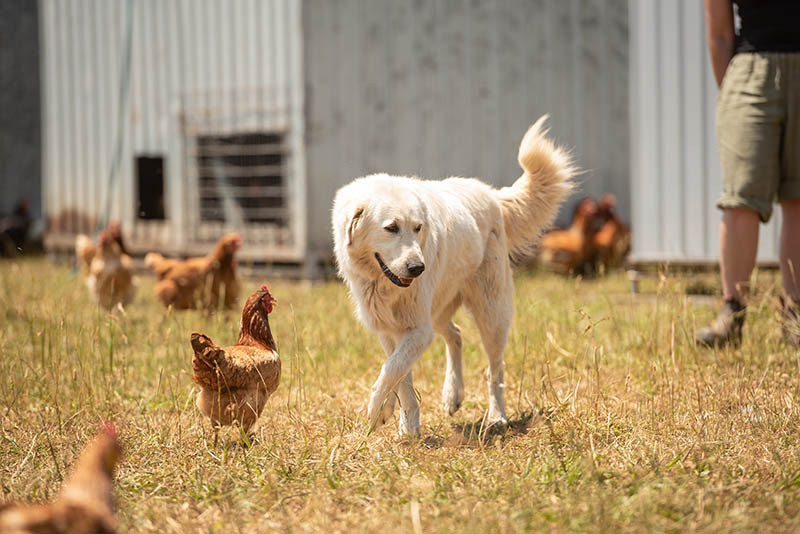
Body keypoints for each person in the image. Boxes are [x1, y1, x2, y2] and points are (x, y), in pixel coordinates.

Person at [697, 0, 800, 348]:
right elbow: (720, 33)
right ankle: (732, 313)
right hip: (750, 69)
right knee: (741, 197)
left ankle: (796, 317)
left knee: (799, 198)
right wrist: (732, 93)